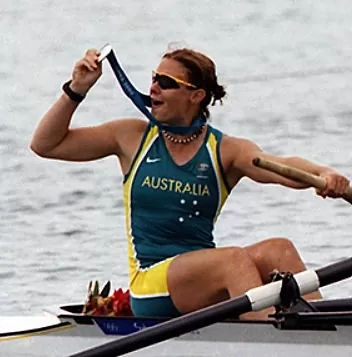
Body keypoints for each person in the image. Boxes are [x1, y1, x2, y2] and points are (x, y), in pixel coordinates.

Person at [30, 46, 350, 320]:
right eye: (154, 78)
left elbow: (283, 167)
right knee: (233, 260)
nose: (153, 87)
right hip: (151, 283)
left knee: (279, 250)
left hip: (202, 281)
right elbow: (46, 145)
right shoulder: (131, 137)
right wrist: (76, 89)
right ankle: (279, 342)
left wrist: (324, 175)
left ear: (196, 96)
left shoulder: (224, 150)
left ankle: (322, 337)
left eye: (166, 83)